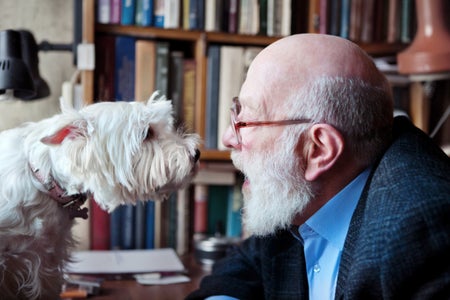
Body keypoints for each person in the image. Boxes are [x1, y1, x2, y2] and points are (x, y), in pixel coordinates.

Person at [186, 34, 450, 300]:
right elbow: (243, 268)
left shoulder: (423, 232)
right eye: (236, 112)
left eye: (245, 122)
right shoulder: (297, 194)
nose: (228, 138)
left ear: (319, 150)